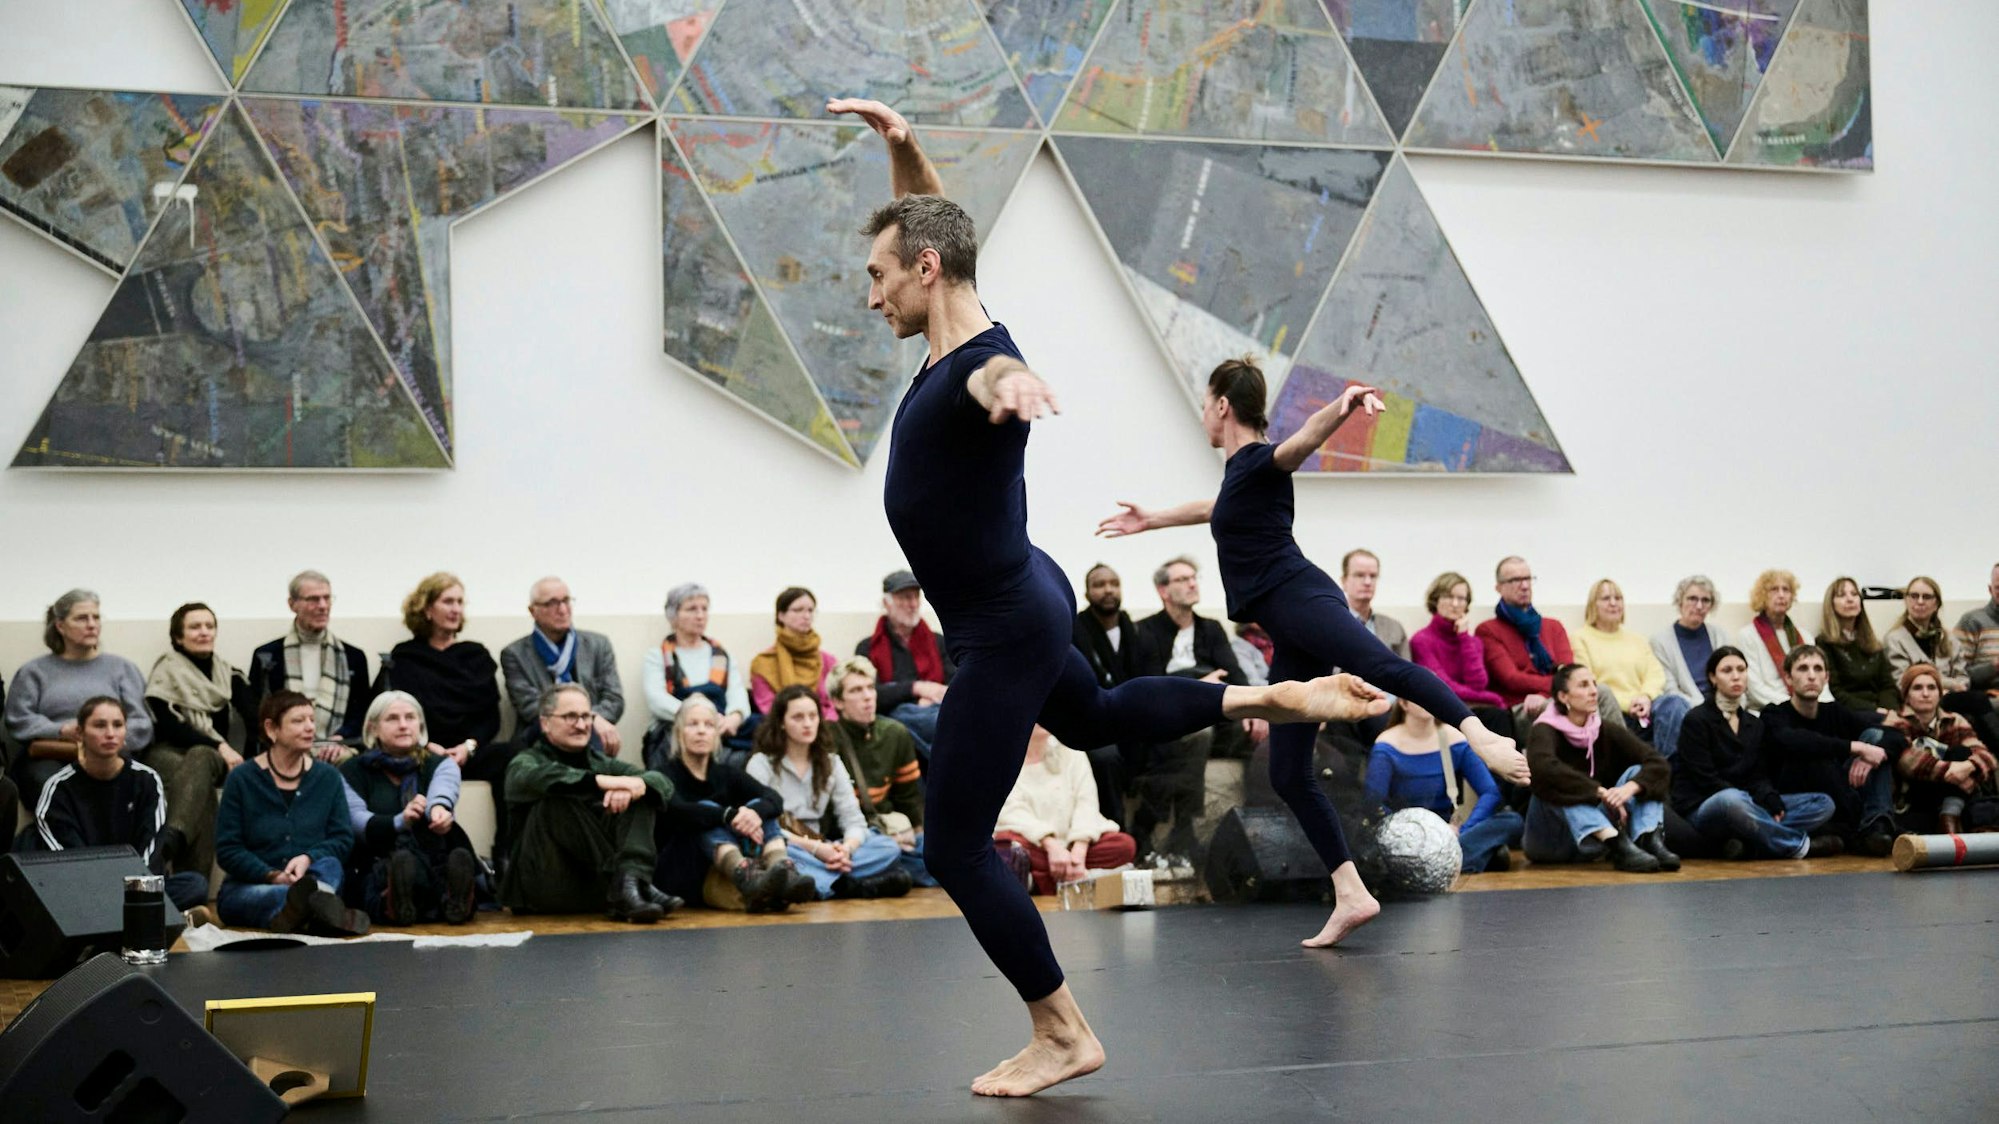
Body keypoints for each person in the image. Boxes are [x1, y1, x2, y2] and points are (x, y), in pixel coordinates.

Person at [834, 91, 1382, 1099]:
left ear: (918, 274)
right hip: (1028, 589)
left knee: (954, 845)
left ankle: (1059, 1028)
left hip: (1000, 625)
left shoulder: (980, 362)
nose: (869, 296)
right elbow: (939, 238)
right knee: (1086, 717)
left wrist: (1019, 392)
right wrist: (906, 152)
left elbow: (995, 378)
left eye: (876, 277)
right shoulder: (959, 314)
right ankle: (1262, 696)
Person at [1099, 359, 1523, 939]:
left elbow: (1297, 446)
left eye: (1204, 402)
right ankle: (1350, 891)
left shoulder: (1259, 459)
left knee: (1382, 665)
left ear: (1222, 404)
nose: (1203, 412)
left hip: (1301, 598)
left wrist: (1344, 405)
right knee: (1289, 770)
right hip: (1286, 624)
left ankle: (1480, 734)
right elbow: (1215, 509)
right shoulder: (1238, 479)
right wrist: (1153, 519)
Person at [502, 684, 680, 922]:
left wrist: (637, 787)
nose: (582, 724)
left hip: (597, 887)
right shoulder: (525, 761)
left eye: (586, 716)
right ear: (545, 723)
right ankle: (634, 882)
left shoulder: (599, 760)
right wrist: (606, 782)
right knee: (558, 797)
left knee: (640, 794)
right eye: (570, 716)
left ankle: (630, 881)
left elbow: (663, 782)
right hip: (543, 887)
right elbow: (537, 778)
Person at [378, 573, 518, 862]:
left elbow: (490, 718)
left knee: (511, 755)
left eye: (460, 602)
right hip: (423, 753)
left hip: (466, 752)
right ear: (427, 609)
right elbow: (395, 712)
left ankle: (504, 855)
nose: (456, 609)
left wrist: (467, 747)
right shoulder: (405, 657)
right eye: (447, 601)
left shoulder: (475, 655)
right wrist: (425, 746)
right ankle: (417, 858)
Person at [33, 697, 209, 911]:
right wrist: (105, 891)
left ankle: (120, 917)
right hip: (84, 890)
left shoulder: (147, 780)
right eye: (99, 725)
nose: (110, 733)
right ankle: (151, 918)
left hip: (134, 888)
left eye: (118, 725)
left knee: (194, 885)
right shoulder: (58, 787)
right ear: (79, 734)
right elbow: (66, 863)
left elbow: (151, 851)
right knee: (49, 896)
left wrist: (128, 890)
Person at [213, 692, 368, 934]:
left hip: (314, 874)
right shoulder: (242, 778)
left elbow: (342, 839)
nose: (309, 728)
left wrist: (308, 857)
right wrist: (272, 875)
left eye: (311, 720)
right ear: (271, 729)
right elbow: (228, 849)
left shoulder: (328, 777)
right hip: (255, 885)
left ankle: (301, 914)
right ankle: (322, 914)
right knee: (276, 895)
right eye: (298, 721)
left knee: (330, 866)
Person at [746, 685, 911, 900]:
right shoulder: (761, 764)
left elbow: (853, 819)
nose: (807, 723)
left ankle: (824, 883)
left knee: (886, 846)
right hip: (787, 843)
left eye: (812, 716)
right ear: (781, 723)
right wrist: (816, 849)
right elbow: (762, 826)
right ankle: (848, 885)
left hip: (824, 847)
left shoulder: (830, 761)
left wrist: (845, 850)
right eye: (798, 717)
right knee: (780, 860)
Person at [1672, 647, 1839, 860]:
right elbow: (1705, 778)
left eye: (1741, 669)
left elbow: (1758, 775)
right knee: (1732, 800)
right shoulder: (1696, 720)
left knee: (1823, 804)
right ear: (1713, 678)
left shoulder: (1754, 723)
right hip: (1705, 804)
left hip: (1746, 803)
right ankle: (1797, 845)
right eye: (1727, 670)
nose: (1736, 676)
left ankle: (1750, 841)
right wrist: (1748, 802)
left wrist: (1769, 798)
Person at [648, 694, 801, 912]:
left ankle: (784, 870)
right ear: (679, 733)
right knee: (708, 810)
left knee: (759, 807)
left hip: (719, 869)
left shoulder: (726, 774)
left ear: (716, 734)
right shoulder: (663, 774)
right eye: (693, 724)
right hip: (681, 870)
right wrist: (729, 815)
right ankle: (748, 876)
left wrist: (753, 813)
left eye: (709, 725)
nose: (701, 730)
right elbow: (680, 811)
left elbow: (774, 799)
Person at [337, 692, 478, 926]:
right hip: (377, 853)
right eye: (392, 718)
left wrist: (439, 811)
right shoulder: (352, 770)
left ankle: (455, 903)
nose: (403, 725)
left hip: (431, 849)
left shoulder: (440, 763)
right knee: (393, 868)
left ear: (420, 724)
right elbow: (356, 821)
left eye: (410, 717)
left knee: (441, 862)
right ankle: (394, 904)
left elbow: (443, 791)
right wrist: (400, 820)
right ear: (373, 728)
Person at [1522, 665, 1678, 873]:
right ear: (1563, 696)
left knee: (1639, 773)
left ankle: (1647, 839)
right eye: (1584, 685)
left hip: (1592, 835)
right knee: (1553, 784)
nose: (1594, 691)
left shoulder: (1602, 728)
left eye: (1594, 684)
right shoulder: (1543, 729)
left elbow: (1657, 762)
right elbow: (1544, 769)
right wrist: (1598, 791)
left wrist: (1629, 788)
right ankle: (1617, 844)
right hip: (1548, 842)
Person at [6, 589, 152, 812]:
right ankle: (68, 845)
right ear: (60, 626)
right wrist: (61, 730)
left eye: (96, 617)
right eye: (82, 618)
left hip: (110, 753)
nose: (92, 624)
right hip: (51, 754)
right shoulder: (34, 671)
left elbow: (142, 723)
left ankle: (114, 848)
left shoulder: (122, 668)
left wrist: (105, 738)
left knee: (120, 783)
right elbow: (18, 719)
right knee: (50, 784)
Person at [142, 602, 253, 880]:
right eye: (194, 627)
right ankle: (194, 888)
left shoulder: (230, 675)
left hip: (212, 758)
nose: (204, 632)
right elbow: (169, 726)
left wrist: (253, 761)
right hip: (167, 753)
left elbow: (257, 717)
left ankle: (168, 844)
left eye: (209, 626)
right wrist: (222, 746)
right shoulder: (165, 673)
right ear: (178, 637)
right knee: (201, 788)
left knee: (202, 757)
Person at [1760, 646, 1905, 855]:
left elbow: (1896, 736)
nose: (1811, 676)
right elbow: (1795, 741)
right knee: (1818, 757)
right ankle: (1866, 830)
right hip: (1802, 799)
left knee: (1875, 740)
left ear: (1826, 677)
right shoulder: (1774, 713)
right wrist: (1856, 747)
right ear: (1788, 678)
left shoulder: (1834, 711)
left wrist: (1870, 756)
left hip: (1841, 795)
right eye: (1802, 669)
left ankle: (1876, 825)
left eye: (1818, 669)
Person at [1363, 700, 1521, 874]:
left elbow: (1490, 792)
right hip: (1407, 836)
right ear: (1403, 704)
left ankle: (1442, 862)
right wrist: (1414, 833)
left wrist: (1463, 830)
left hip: (1448, 833)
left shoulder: (1453, 738)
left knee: (1512, 821)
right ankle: (1469, 858)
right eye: (1418, 697)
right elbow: (1373, 804)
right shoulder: (1387, 745)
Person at [993, 727, 1137, 895]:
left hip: (1072, 844)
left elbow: (1086, 802)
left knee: (1125, 846)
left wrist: (1079, 851)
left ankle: (1047, 879)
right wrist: (1051, 845)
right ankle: (1078, 877)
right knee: (1006, 848)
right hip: (1035, 844)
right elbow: (1012, 812)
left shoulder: (1070, 751)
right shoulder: (1002, 760)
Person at [827, 656, 932, 886]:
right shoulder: (826, 738)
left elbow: (908, 798)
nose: (867, 697)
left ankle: (881, 872)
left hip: (889, 828)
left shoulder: (895, 733)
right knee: (886, 851)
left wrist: (915, 836)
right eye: (856, 690)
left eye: (869, 688)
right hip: (850, 836)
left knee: (942, 853)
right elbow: (828, 813)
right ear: (837, 701)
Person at [245, 571, 373, 752]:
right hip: (281, 747)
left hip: (339, 748)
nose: (322, 606)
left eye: (327, 598)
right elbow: (259, 712)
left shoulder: (353, 657)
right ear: (292, 604)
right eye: (313, 599)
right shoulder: (267, 655)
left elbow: (362, 711)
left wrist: (340, 738)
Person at [1069, 563, 1156, 822]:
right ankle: (1113, 826)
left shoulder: (1139, 632)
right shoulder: (1074, 631)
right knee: (1106, 757)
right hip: (1091, 720)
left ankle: (1151, 828)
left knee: (1167, 742)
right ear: (1086, 594)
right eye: (1099, 585)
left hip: (1134, 715)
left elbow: (1153, 679)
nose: (1108, 590)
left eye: (1114, 584)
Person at [501, 576, 624, 753]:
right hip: (540, 734)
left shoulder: (598, 645)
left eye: (566, 601)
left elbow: (614, 699)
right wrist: (581, 719)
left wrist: (588, 719)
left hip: (591, 732)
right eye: (552, 603)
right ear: (532, 610)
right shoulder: (515, 654)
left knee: (587, 737)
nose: (563, 609)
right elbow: (529, 707)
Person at [1573, 578, 1691, 757]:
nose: (1614, 603)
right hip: (1614, 713)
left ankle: (1665, 769)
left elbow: (1655, 674)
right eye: (1606, 598)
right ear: (1593, 605)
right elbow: (1586, 682)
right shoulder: (1580, 638)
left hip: (1645, 708)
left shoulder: (1637, 639)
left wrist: (1645, 697)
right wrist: (1629, 703)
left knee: (1676, 703)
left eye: (1618, 598)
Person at [1886, 576, 1999, 747]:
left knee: (1971, 715)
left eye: (1927, 597)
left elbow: (1963, 675)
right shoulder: (1895, 639)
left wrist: (1955, 686)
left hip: (1952, 698)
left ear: (1936, 603)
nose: (1920, 602)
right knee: (1978, 700)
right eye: (1914, 596)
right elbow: (1903, 680)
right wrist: (1946, 686)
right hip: (1920, 698)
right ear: (1906, 600)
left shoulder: (1947, 638)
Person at [643, 582, 752, 757]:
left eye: (704, 609)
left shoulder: (721, 655)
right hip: (678, 728)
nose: (700, 615)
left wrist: (733, 718)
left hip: (720, 726)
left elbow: (737, 694)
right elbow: (657, 699)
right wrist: (700, 718)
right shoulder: (658, 656)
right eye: (692, 609)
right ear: (673, 617)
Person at [857, 570, 955, 754]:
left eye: (916, 597)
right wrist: (916, 688)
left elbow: (956, 682)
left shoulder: (938, 641)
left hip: (938, 708)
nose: (913, 604)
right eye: (904, 598)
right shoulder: (868, 647)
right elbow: (872, 693)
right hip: (896, 717)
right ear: (887, 603)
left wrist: (930, 698)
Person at [1891, 664, 1995, 835]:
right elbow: (1908, 762)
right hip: (1914, 797)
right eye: (1917, 688)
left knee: (1962, 753)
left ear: (1940, 694)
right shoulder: (1895, 720)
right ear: (1906, 695)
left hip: (1949, 797)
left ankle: (1949, 817)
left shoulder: (1954, 720)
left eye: (1931, 688)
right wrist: (1952, 772)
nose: (1925, 694)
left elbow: (1986, 755)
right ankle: (1950, 820)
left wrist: (1968, 767)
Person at [1475, 556, 1573, 720]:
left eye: (1528, 578)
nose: (1525, 586)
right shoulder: (1488, 630)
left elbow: (1570, 672)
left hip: (1557, 696)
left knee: (1600, 692)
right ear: (1499, 587)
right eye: (1515, 580)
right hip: (1521, 707)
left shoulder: (1553, 627)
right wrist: (1558, 685)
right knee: (1572, 705)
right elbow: (1511, 679)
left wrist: (1544, 693)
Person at [1737, 569, 1827, 713]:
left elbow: (1820, 679)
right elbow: (1755, 689)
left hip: (1809, 707)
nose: (1781, 595)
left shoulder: (1805, 636)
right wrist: (1793, 706)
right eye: (1774, 590)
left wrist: (1826, 706)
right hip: (1767, 709)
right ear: (1762, 596)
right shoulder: (1748, 636)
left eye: (1786, 590)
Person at [749, 587, 838, 721]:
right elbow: (769, 708)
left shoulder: (828, 661)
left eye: (810, 610)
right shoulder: (763, 663)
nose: (807, 616)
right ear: (781, 616)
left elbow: (834, 703)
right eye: (798, 610)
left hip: (826, 729)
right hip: (782, 730)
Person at [1816, 577, 1901, 714]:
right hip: (1849, 713)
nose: (1850, 599)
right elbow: (1835, 691)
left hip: (1882, 712)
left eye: (1854, 594)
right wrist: (1875, 710)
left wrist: (1890, 711)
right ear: (1831, 604)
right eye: (1842, 595)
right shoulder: (1824, 644)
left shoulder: (1872, 642)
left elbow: (1887, 685)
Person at [1651, 575, 1728, 706]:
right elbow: (1670, 691)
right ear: (1680, 602)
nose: (1699, 606)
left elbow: (1731, 679)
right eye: (1692, 599)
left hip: (1722, 707)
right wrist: (1703, 710)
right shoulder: (1660, 642)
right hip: (1686, 710)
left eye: (1705, 600)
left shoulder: (1720, 635)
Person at [1341, 549, 1409, 659]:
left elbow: (1407, 672)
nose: (1368, 582)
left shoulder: (1394, 628)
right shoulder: (1331, 623)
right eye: (1359, 575)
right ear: (1344, 581)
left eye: (1373, 576)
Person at [1952, 564, 1999, 707]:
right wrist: (1994, 667)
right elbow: (1958, 676)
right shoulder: (1972, 622)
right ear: (1990, 590)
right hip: (1986, 698)